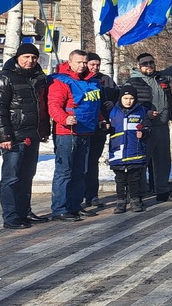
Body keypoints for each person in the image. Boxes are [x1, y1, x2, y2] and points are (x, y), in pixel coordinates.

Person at [0, 43, 51, 229]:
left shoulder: (39, 78)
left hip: (33, 134)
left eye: (33, 57)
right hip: (14, 136)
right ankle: (11, 216)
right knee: (11, 177)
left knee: (27, 176)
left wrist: (44, 130)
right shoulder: (4, 78)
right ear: (17, 58)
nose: (30, 61)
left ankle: (24, 212)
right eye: (26, 57)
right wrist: (4, 136)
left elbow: (42, 107)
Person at [127, 46, 172, 202]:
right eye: (145, 63)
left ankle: (162, 191)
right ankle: (139, 194)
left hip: (162, 126)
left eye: (151, 63)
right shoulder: (132, 82)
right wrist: (145, 114)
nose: (149, 65)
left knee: (163, 161)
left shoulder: (162, 77)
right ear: (139, 66)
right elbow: (127, 106)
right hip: (144, 128)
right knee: (142, 161)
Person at [47, 50, 101, 221]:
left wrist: (101, 119)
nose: (82, 65)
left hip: (86, 131)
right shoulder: (61, 81)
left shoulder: (92, 81)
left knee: (80, 171)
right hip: (67, 133)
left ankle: (75, 205)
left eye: (85, 62)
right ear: (69, 62)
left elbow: (93, 104)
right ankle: (59, 208)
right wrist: (65, 118)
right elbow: (54, 106)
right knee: (65, 171)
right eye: (78, 62)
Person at [82, 52, 117, 210]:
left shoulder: (106, 80)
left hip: (100, 128)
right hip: (83, 126)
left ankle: (92, 195)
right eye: (92, 65)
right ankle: (80, 195)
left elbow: (118, 94)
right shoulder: (80, 80)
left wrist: (113, 102)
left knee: (92, 162)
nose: (95, 68)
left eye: (97, 65)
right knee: (82, 163)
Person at [107, 85, 149, 213]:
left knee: (134, 178)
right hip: (118, 152)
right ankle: (121, 201)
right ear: (121, 98)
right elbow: (107, 127)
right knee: (120, 179)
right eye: (125, 98)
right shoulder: (113, 112)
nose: (128, 101)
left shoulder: (141, 111)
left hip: (135, 151)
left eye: (131, 98)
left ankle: (135, 200)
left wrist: (144, 132)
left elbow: (147, 127)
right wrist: (105, 127)